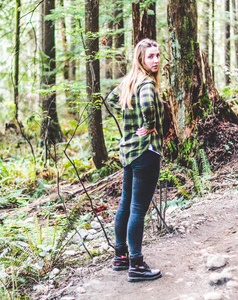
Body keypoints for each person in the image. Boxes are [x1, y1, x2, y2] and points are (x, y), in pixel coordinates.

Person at [106, 38, 164, 282]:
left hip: (128, 152)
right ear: (140, 59)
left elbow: (110, 100)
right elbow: (149, 105)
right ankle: (137, 265)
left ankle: (121, 256)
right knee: (138, 209)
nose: (156, 60)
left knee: (125, 204)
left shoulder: (129, 82)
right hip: (145, 151)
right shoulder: (147, 83)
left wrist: (130, 119)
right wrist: (149, 125)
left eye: (158, 55)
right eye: (150, 56)